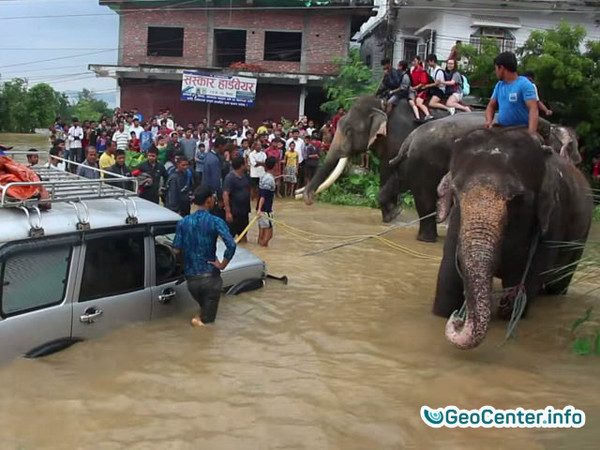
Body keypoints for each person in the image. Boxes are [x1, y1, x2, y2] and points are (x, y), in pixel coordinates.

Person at [172, 185, 237, 327]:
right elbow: (231, 245)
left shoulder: (183, 222)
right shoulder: (215, 221)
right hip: (210, 279)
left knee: (202, 314)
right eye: (213, 197)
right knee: (206, 324)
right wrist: (223, 264)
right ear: (208, 200)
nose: (215, 200)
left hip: (192, 281)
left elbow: (176, 249)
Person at [485, 52, 540, 136]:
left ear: (502, 68)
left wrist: (531, 133)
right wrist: (489, 121)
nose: (495, 72)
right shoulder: (499, 85)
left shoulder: (524, 84)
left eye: (496, 68)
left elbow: (533, 109)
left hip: (520, 130)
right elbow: (491, 106)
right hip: (503, 129)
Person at [223, 156, 251, 243]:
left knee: (243, 234)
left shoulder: (245, 176)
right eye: (246, 163)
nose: (247, 165)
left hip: (244, 210)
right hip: (234, 211)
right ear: (242, 165)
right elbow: (225, 194)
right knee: (230, 235)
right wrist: (228, 212)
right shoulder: (230, 178)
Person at [257, 156, 277, 247]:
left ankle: (260, 250)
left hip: (261, 209)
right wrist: (260, 209)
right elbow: (263, 196)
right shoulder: (269, 179)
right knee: (269, 235)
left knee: (261, 233)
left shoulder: (264, 176)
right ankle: (262, 248)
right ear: (275, 166)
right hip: (266, 210)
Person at [408, 56, 433, 122]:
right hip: (417, 90)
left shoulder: (422, 71)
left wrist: (414, 88)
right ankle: (418, 117)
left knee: (419, 103)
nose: (413, 62)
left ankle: (428, 115)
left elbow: (423, 83)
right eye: (413, 61)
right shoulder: (413, 71)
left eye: (415, 61)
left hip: (423, 90)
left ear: (418, 61)